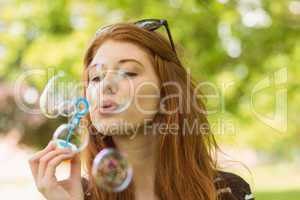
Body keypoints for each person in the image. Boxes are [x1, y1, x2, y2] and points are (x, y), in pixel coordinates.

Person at [28, 19, 254, 200]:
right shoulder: (72, 195)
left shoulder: (226, 192)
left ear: (168, 92)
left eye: (128, 72)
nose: (105, 85)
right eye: (95, 77)